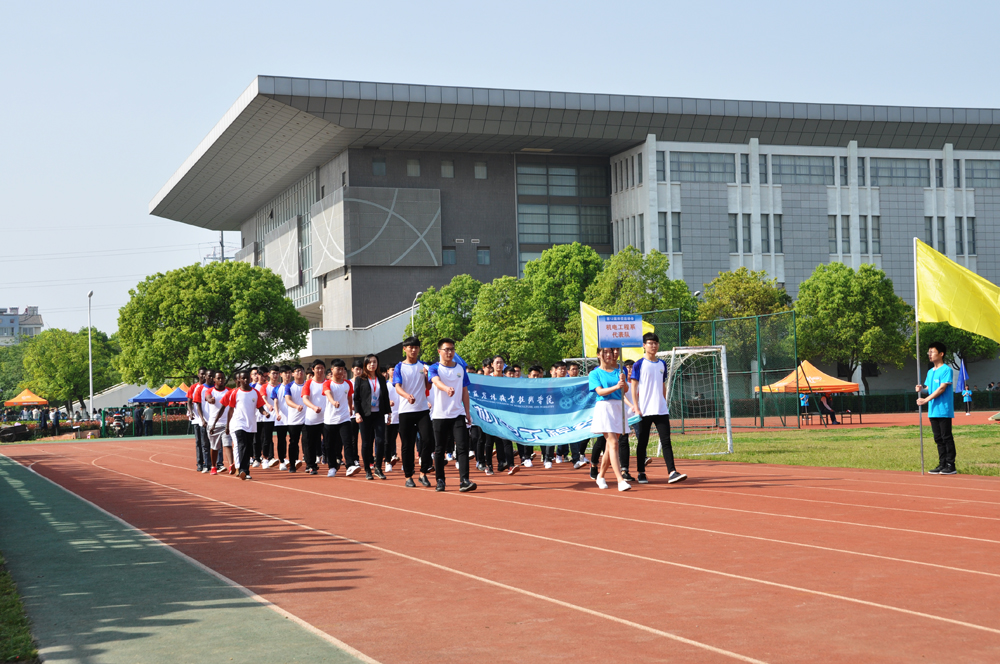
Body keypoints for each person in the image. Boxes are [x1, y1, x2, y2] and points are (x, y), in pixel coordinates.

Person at [630, 333, 687, 485]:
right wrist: (636, 407)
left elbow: (662, 384)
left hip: (661, 410)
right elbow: (634, 387)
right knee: (643, 442)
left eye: (656, 343)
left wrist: (664, 401)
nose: (653, 346)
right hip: (644, 410)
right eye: (650, 343)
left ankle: (672, 472)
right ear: (644, 345)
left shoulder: (662, 364)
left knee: (666, 441)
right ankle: (641, 472)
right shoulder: (638, 364)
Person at [429, 338, 477, 492]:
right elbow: (436, 381)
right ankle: (440, 480)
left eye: (452, 349)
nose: (449, 352)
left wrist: (467, 412)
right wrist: (446, 388)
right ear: (439, 351)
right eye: (446, 349)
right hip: (440, 415)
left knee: (463, 447)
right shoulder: (434, 368)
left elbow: (464, 391)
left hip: (458, 414)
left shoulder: (460, 368)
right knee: (440, 449)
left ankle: (464, 480)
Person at [393, 336, 435, 487]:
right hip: (405, 411)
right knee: (407, 445)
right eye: (410, 347)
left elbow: (428, 387)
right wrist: (407, 396)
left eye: (416, 347)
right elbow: (397, 386)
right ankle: (408, 476)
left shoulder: (423, 366)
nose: (413, 350)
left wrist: (427, 376)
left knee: (428, 440)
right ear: (405, 349)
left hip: (422, 409)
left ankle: (423, 473)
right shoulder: (399, 367)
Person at [589, 347, 631, 491]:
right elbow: (600, 391)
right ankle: (620, 480)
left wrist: (623, 382)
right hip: (604, 407)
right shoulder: (595, 373)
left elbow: (625, 390)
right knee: (613, 443)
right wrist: (616, 386)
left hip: (618, 408)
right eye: (605, 352)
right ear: (598, 354)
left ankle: (600, 476)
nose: (609, 355)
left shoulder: (619, 371)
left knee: (610, 446)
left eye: (610, 352)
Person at [916, 341, 957, 474]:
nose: (930, 354)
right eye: (929, 352)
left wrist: (925, 400)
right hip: (933, 410)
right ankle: (942, 463)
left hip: (943, 409)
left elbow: (941, 389)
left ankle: (950, 465)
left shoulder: (946, 370)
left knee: (946, 437)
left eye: (932, 352)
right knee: (938, 439)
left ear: (941, 354)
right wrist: (921, 390)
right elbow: (929, 389)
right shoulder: (930, 372)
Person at [222, 369, 267, 480]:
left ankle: (246, 471)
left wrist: (265, 413)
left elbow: (260, 407)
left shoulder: (255, 392)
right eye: (243, 378)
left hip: (251, 424)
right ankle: (242, 469)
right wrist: (227, 425)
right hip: (239, 423)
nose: (246, 380)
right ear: (240, 380)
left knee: (248, 448)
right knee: (242, 445)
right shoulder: (235, 393)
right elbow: (230, 410)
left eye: (247, 378)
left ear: (250, 379)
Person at [354, 354, 390, 480]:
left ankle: (378, 468)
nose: (372, 364)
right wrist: (357, 413)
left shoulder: (381, 378)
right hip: (365, 415)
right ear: (365, 365)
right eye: (369, 362)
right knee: (366, 442)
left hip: (379, 414)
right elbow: (356, 398)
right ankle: (367, 469)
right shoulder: (360, 379)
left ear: (377, 363)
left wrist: (389, 413)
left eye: (374, 362)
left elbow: (385, 396)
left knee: (380, 441)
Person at [321, 359, 354, 477]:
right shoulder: (327, 383)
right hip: (330, 420)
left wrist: (350, 408)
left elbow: (349, 397)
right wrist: (333, 402)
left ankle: (350, 465)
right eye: (338, 369)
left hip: (344, 418)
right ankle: (332, 467)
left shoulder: (348, 384)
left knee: (347, 442)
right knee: (329, 445)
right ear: (332, 370)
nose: (340, 371)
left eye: (342, 369)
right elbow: (328, 394)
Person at [301, 360, 329, 475]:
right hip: (311, 419)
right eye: (317, 368)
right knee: (310, 444)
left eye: (322, 368)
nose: (320, 370)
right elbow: (305, 398)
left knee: (330, 442)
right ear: (313, 369)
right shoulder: (308, 383)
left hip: (327, 418)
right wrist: (313, 407)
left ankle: (332, 464)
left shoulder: (328, 383)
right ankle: (311, 465)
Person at [205, 370, 234, 475]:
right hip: (214, 424)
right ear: (214, 379)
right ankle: (213, 466)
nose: (221, 380)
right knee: (214, 447)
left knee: (228, 444)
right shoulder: (210, 391)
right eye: (218, 378)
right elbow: (207, 397)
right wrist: (210, 400)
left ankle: (231, 465)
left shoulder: (229, 391)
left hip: (227, 423)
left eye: (222, 378)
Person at [283, 365, 308, 472]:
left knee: (307, 441)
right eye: (297, 371)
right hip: (294, 419)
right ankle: (292, 464)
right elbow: (288, 400)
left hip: (308, 419)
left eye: (301, 371)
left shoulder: (308, 384)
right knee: (293, 442)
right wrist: (296, 406)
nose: (300, 373)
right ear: (293, 374)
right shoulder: (289, 386)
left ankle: (309, 464)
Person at [272, 365, 292, 470]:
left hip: (293, 419)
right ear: (281, 374)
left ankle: (293, 460)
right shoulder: (277, 388)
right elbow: (276, 402)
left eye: (289, 373)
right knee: (281, 440)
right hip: (281, 419)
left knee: (294, 440)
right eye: (285, 373)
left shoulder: (294, 386)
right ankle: (282, 461)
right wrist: (277, 413)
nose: (287, 375)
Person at [383, 366, 399, 472]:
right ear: (388, 371)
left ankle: (405, 463)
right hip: (388, 417)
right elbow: (381, 399)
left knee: (404, 440)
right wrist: (387, 402)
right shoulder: (386, 385)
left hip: (400, 416)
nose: (394, 371)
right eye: (392, 369)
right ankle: (387, 461)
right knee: (387, 440)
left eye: (395, 369)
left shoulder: (400, 384)